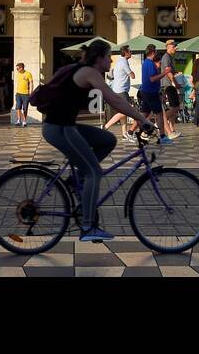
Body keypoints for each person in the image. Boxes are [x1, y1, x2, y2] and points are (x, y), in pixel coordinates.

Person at [38, 40, 156, 243]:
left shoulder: (85, 70)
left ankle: (78, 181)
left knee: (107, 139)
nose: (111, 60)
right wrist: (143, 120)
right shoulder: (90, 72)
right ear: (99, 57)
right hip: (60, 128)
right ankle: (88, 225)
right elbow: (116, 100)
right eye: (108, 56)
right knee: (95, 172)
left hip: (65, 126)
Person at [137, 48, 171, 144]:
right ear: (152, 53)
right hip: (151, 92)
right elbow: (152, 79)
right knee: (159, 114)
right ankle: (163, 136)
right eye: (155, 52)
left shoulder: (145, 63)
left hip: (146, 91)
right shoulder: (150, 64)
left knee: (144, 114)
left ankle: (137, 133)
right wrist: (164, 73)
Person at [103, 45, 138, 140]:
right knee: (126, 111)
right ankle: (105, 127)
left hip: (119, 90)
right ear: (126, 52)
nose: (131, 53)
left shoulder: (120, 61)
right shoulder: (123, 62)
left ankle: (124, 133)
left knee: (123, 113)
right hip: (121, 90)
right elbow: (132, 76)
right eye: (130, 51)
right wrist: (132, 73)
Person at [160, 40, 182, 139]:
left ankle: (172, 129)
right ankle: (159, 122)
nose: (175, 48)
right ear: (168, 47)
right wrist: (175, 83)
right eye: (174, 47)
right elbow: (168, 72)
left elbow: (172, 71)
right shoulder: (166, 57)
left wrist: (177, 73)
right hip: (168, 85)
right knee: (175, 107)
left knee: (175, 106)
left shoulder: (171, 57)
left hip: (171, 84)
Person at [12, 62, 35, 127]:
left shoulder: (28, 74)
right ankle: (19, 120)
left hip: (26, 94)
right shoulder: (18, 74)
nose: (17, 70)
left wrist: (31, 92)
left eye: (18, 68)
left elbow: (31, 83)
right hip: (18, 93)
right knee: (18, 107)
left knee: (25, 108)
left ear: (21, 68)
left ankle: (24, 121)